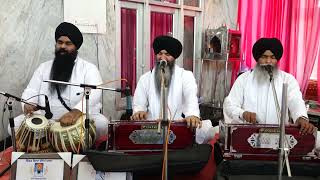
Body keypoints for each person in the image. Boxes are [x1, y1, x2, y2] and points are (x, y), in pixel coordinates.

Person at [9, 22, 108, 139]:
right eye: (60, 42)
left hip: (77, 119)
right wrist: (27, 104)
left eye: (68, 43)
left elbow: (95, 93)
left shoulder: (88, 69)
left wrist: (75, 112)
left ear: (76, 47)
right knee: (14, 125)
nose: (63, 46)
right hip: (46, 120)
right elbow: (31, 90)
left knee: (102, 124)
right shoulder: (43, 68)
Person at [131, 35, 214, 144]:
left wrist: (192, 115)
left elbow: (191, 100)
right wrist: (138, 112)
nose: (162, 57)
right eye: (160, 53)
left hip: (177, 125)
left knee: (206, 129)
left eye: (167, 54)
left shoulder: (185, 76)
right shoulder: (145, 78)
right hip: (152, 126)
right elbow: (138, 104)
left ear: (174, 57)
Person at [223, 37, 315, 135]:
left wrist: (301, 117)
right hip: (249, 136)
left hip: (279, 137)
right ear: (257, 58)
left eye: (272, 57)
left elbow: (295, 100)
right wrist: (242, 113)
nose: (268, 61)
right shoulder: (244, 79)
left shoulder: (287, 79)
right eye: (264, 56)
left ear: (277, 59)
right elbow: (229, 105)